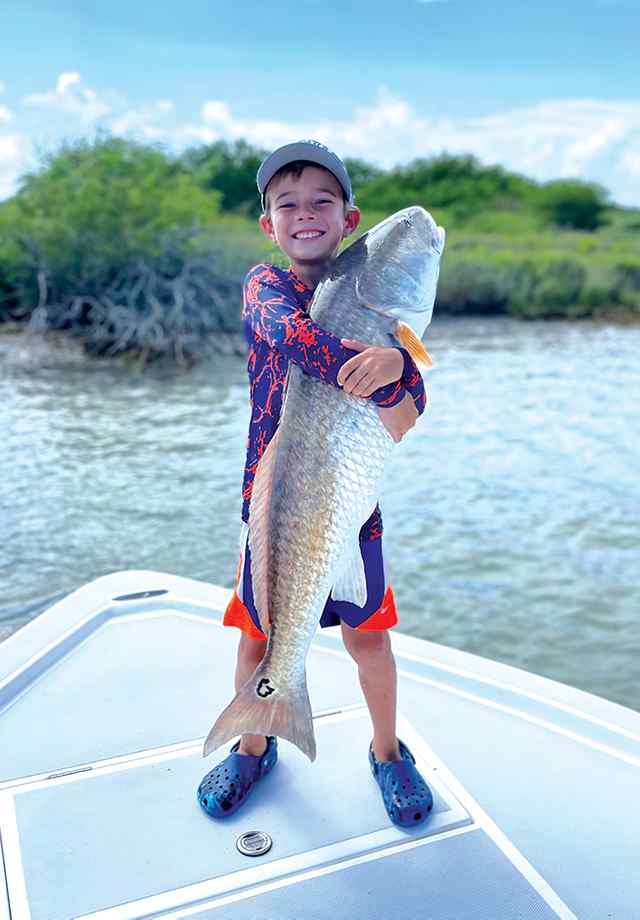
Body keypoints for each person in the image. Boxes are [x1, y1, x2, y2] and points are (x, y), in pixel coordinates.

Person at [197, 140, 434, 827]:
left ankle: (389, 753)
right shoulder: (266, 285)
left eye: (322, 202)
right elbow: (289, 335)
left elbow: (408, 415)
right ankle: (253, 742)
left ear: (349, 218)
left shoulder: (393, 337)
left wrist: (398, 367)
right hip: (270, 514)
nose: (305, 215)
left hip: (352, 517)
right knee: (256, 638)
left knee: (370, 643)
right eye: (288, 204)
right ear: (269, 224)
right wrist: (371, 361)